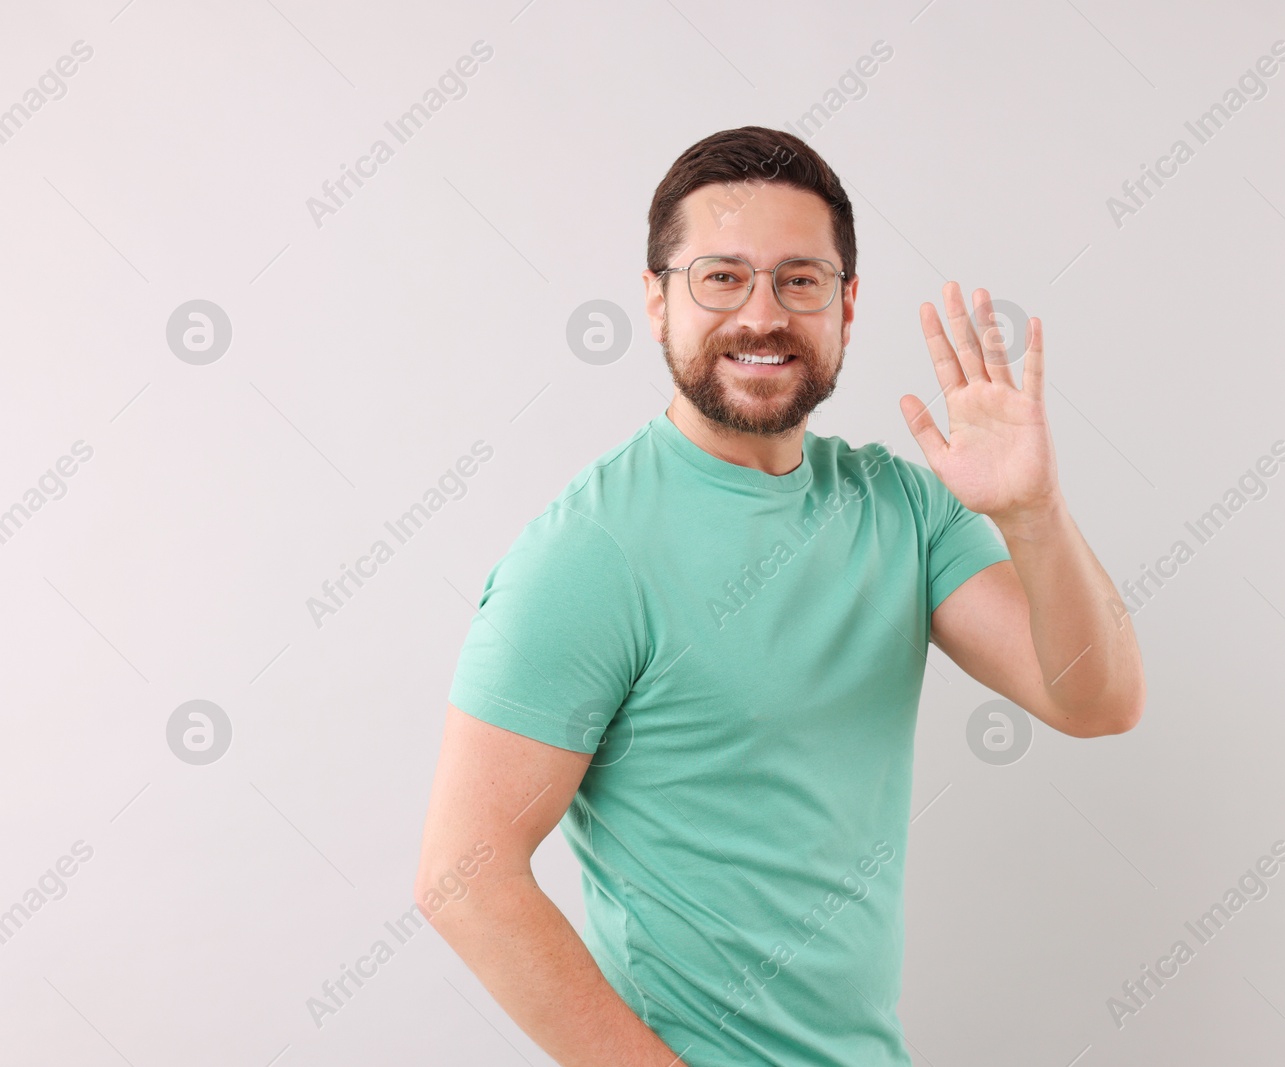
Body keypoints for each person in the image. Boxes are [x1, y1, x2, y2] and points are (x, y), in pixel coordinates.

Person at [414, 125, 1145, 1066]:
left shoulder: (905, 505)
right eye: (722, 277)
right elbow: (462, 878)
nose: (762, 315)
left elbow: (1097, 699)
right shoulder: (590, 552)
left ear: (845, 305)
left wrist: (1034, 514)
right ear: (656, 299)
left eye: (799, 280)